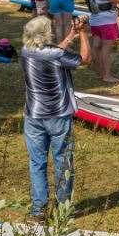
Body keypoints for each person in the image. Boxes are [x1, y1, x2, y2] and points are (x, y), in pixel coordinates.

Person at [20, 15, 90, 219]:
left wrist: (70, 36)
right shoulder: (55, 55)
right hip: (58, 115)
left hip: (33, 115)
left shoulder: (25, 52)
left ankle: (39, 209)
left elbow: (53, 51)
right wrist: (83, 33)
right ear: (45, 34)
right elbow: (85, 59)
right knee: (63, 161)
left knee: (37, 162)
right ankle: (62, 208)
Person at [87, 0, 119, 83]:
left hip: (95, 20)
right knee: (106, 49)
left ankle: (99, 71)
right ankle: (107, 75)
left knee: (96, 45)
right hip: (106, 22)